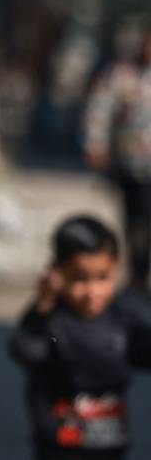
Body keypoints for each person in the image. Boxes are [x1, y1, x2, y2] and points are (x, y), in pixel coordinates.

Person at [9, 216, 151, 460]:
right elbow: (25, 350)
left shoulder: (123, 322)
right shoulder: (50, 323)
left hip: (109, 459)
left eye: (102, 278)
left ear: (115, 268)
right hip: (62, 459)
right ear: (57, 274)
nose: (91, 291)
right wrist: (41, 307)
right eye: (79, 279)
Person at [84, 33, 151, 291]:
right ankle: (138, 276)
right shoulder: (122, 75)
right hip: (133, 165)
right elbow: (99, 109)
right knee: (136, 223)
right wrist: (96, 144)